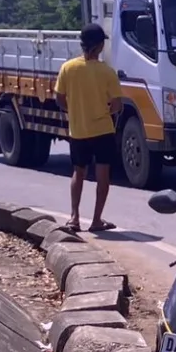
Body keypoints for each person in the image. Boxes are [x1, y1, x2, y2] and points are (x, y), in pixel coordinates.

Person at [55, 24, 123, 232]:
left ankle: (74, 217)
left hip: (78, 130)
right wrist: (104, 110)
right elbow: (117, 105)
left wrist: (75, 110)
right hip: (102, 130)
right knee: (103, 175)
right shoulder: (107, 72)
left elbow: (59, 98)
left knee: (79, 172)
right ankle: (96, 220)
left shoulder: (68, 68)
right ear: (100, 46)